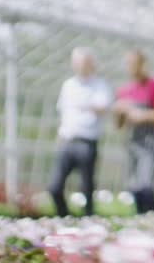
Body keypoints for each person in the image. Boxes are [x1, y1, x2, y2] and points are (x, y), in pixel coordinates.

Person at [48, 47, 112, 217]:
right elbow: (63, 113)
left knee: (86, 186)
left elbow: (103, 107)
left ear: (91, 64)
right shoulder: (68, 85)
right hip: (67, 140)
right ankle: (65, 217)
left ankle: (87, 219)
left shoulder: (100, 85)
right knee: (54, 186)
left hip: (87, 142)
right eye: (76, 62)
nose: (80, 66)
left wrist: (85, 105)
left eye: (84, 62)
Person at [113, 49, 154, 214]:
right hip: (132, 141)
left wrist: (143, 115)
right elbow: (119, 125)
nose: (131, 67)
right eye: (128, 63)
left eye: (134, 63)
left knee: (146, 184)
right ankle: (142, 218)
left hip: (151, 141)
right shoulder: (123, 90)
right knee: (133, 185)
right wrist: (118, 112)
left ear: (143, 64)